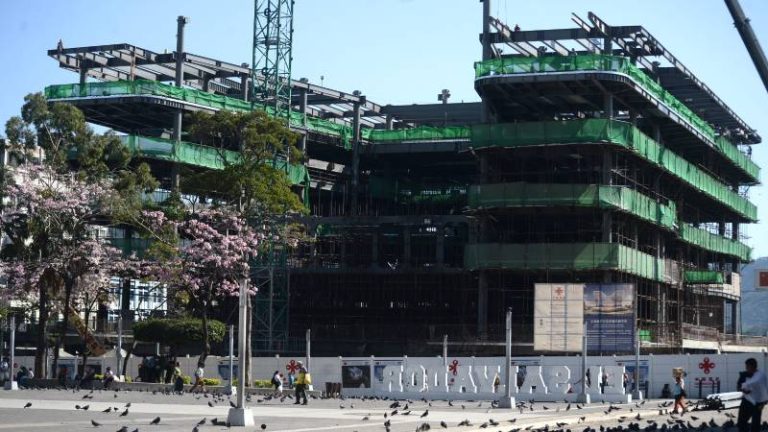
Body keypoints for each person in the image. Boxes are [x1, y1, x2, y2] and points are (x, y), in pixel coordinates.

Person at [738, 358, 768, 432]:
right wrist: (743, 389)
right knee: (742, 421)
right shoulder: (744, 375)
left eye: (747, 367)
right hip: (746, 401)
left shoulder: (760, 376)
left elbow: (765, 389)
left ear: (753, 366)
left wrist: (764, 402)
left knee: (756, 423)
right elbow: (739, 387)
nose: (746, 368)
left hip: (758, 403)